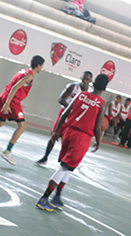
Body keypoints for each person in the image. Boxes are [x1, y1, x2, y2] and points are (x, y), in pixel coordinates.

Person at [36, 73, 109, 212]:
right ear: (105, 88)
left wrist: (57, 131)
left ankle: (57, 197)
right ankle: (44, 198)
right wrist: (98, 141)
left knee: (69, 167)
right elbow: (97, 127)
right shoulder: (102, 103)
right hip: (81, 138)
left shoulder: (81, 95)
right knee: (64, 167)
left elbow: (65, 113)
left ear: (93, 84)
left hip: (68, 132)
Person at [0, 56, 45, 166]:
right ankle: (7, 151)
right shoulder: (29, 76)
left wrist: (15, 102)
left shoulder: (24, 71)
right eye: (42, 66)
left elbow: (15, 87)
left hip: (6, 96)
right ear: (38, 65)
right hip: (11, 100)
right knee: (22, 126)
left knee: (0, 122)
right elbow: (15, 87)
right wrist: (8, 103)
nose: (42, 68)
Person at [35, 71, 92, 166]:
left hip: (75, 118)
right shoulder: (73, 86)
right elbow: (61, 99)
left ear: (90, 80)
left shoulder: (90, 92)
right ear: (81, 78)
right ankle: (45, 157)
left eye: (87, 79)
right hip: (64, 114)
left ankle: (64, 161)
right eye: (84, 78)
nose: (85, 81)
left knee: (70, 140)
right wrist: (71, 108)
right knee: (54, 135)